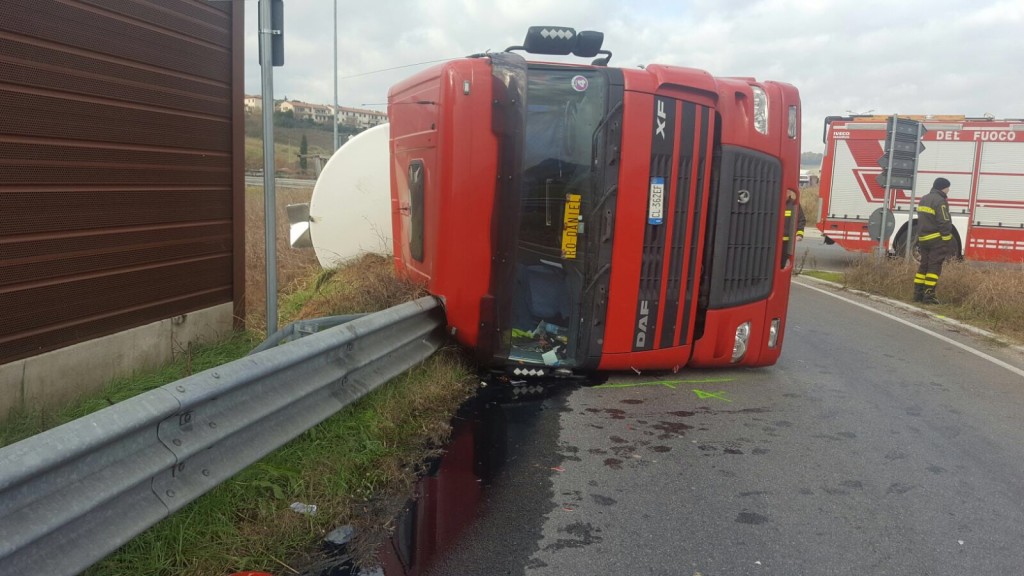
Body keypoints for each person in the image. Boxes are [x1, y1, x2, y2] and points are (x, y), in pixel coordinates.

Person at [914, 177, 953, 304]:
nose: (948, 190)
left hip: (923, 239)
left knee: (923, 266)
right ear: (943, 187)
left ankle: (917, 294)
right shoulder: (940, 201)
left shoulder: (924, 199)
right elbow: (944, 221)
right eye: (948, 188)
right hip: (936, 240)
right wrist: (946, 239)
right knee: (934, 267)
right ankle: (929, 296)